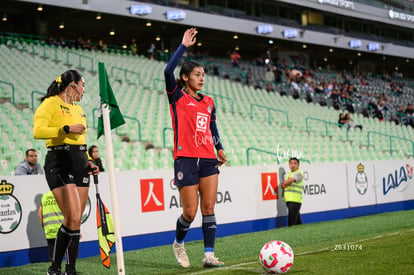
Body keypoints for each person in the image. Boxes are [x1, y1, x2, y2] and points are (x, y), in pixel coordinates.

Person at [164, 28, 227, 268]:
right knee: (190, 213)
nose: (202, 78)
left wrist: (219, 148)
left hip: (208, 158)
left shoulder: (209, 101)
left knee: (209, 207)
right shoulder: (176, 96)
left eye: (203, 75)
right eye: (197, 74)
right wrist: (183, 47)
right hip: (186, 159)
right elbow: (167, 70)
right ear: (186, 77)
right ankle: (179, 243)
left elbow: (213, 128)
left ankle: (209, 255)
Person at [33, 69, 99, 275]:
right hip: (59, 161)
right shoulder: (50, 103)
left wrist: (89, 160)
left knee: (76, 220)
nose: (84, 90)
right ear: (72, 86)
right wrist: (65, 129)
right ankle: (54, 269)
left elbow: (81, 140)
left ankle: (70, 270)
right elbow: (38, 131)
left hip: (80, 163)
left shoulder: (78, 109)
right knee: (70, 217)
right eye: (82, 85)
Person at [38, 191, 64, 261]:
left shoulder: (44, 197)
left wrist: (44, 227)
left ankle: (54, 271)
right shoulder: (62, 194)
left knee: (53, 257)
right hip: (62, 231)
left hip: (49, 231)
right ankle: (69, 271)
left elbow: (40, 215)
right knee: (67, 255)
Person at [281, 157, 304, 227]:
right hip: (289, 200)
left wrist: (286, 183)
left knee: (292, 222)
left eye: (295, 163)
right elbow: (283, 185)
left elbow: (288, 181)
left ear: (298, 165)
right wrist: (285, 183)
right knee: (297, 222)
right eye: (291, 163)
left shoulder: (298, 173)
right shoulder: (288, 174)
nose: (292, 165)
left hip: (295, 200)